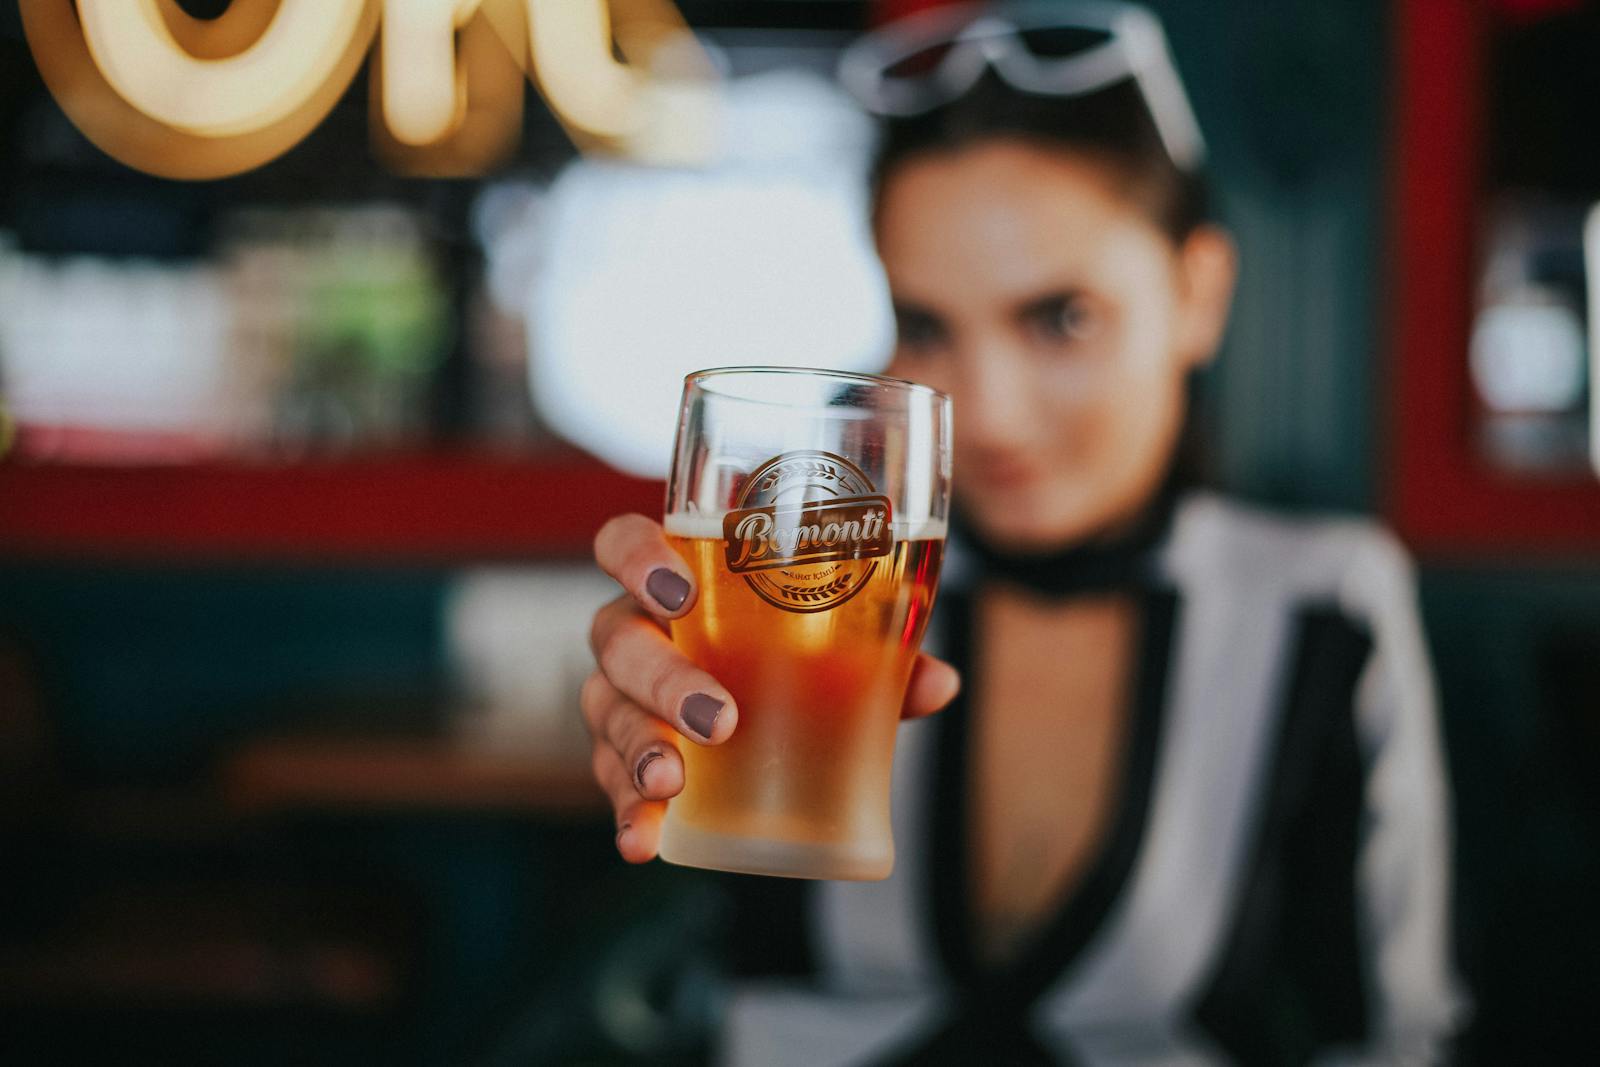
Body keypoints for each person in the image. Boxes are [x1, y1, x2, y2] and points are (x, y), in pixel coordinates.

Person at [579, 3, 1464, 1063]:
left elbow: (1388, 1036)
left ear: (1199, 292)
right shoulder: (817, 587)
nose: (985, 412)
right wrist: (653, 728)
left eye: (1060, 318)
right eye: (928, 324)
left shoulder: (1320, 606)